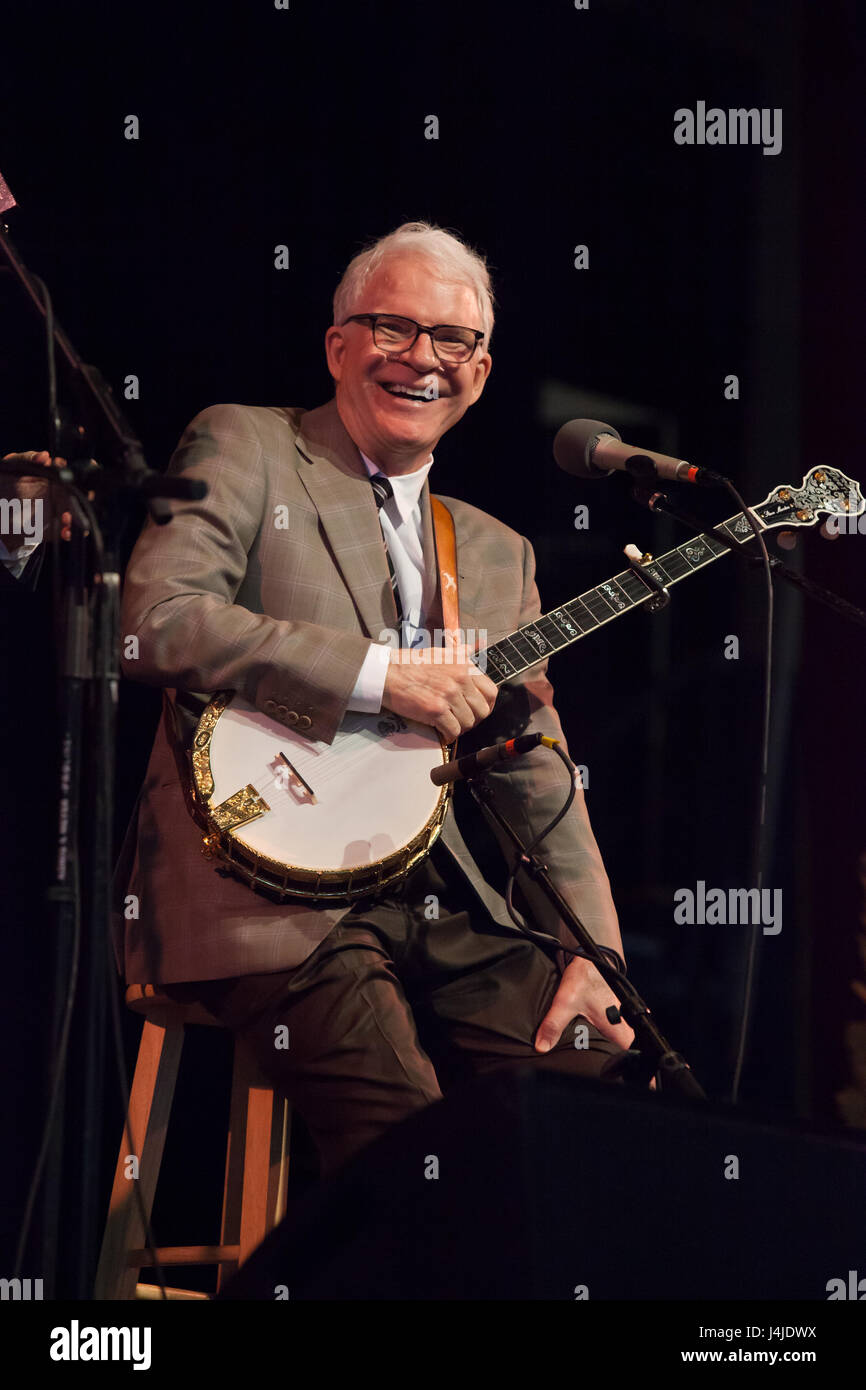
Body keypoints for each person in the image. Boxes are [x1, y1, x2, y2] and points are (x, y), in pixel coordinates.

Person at [113, 221, 635, 1178]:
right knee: (411, 1153)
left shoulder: (491, 547)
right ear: (338, 345)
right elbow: (155, 617)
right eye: (393, 328)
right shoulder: (251, 443)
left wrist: (591, 950)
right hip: (259, 890)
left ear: (481, 368)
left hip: (444, 899)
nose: (423, 360)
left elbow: (537, 764)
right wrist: (376, 673)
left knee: (605, 1114)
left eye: (454, 340)